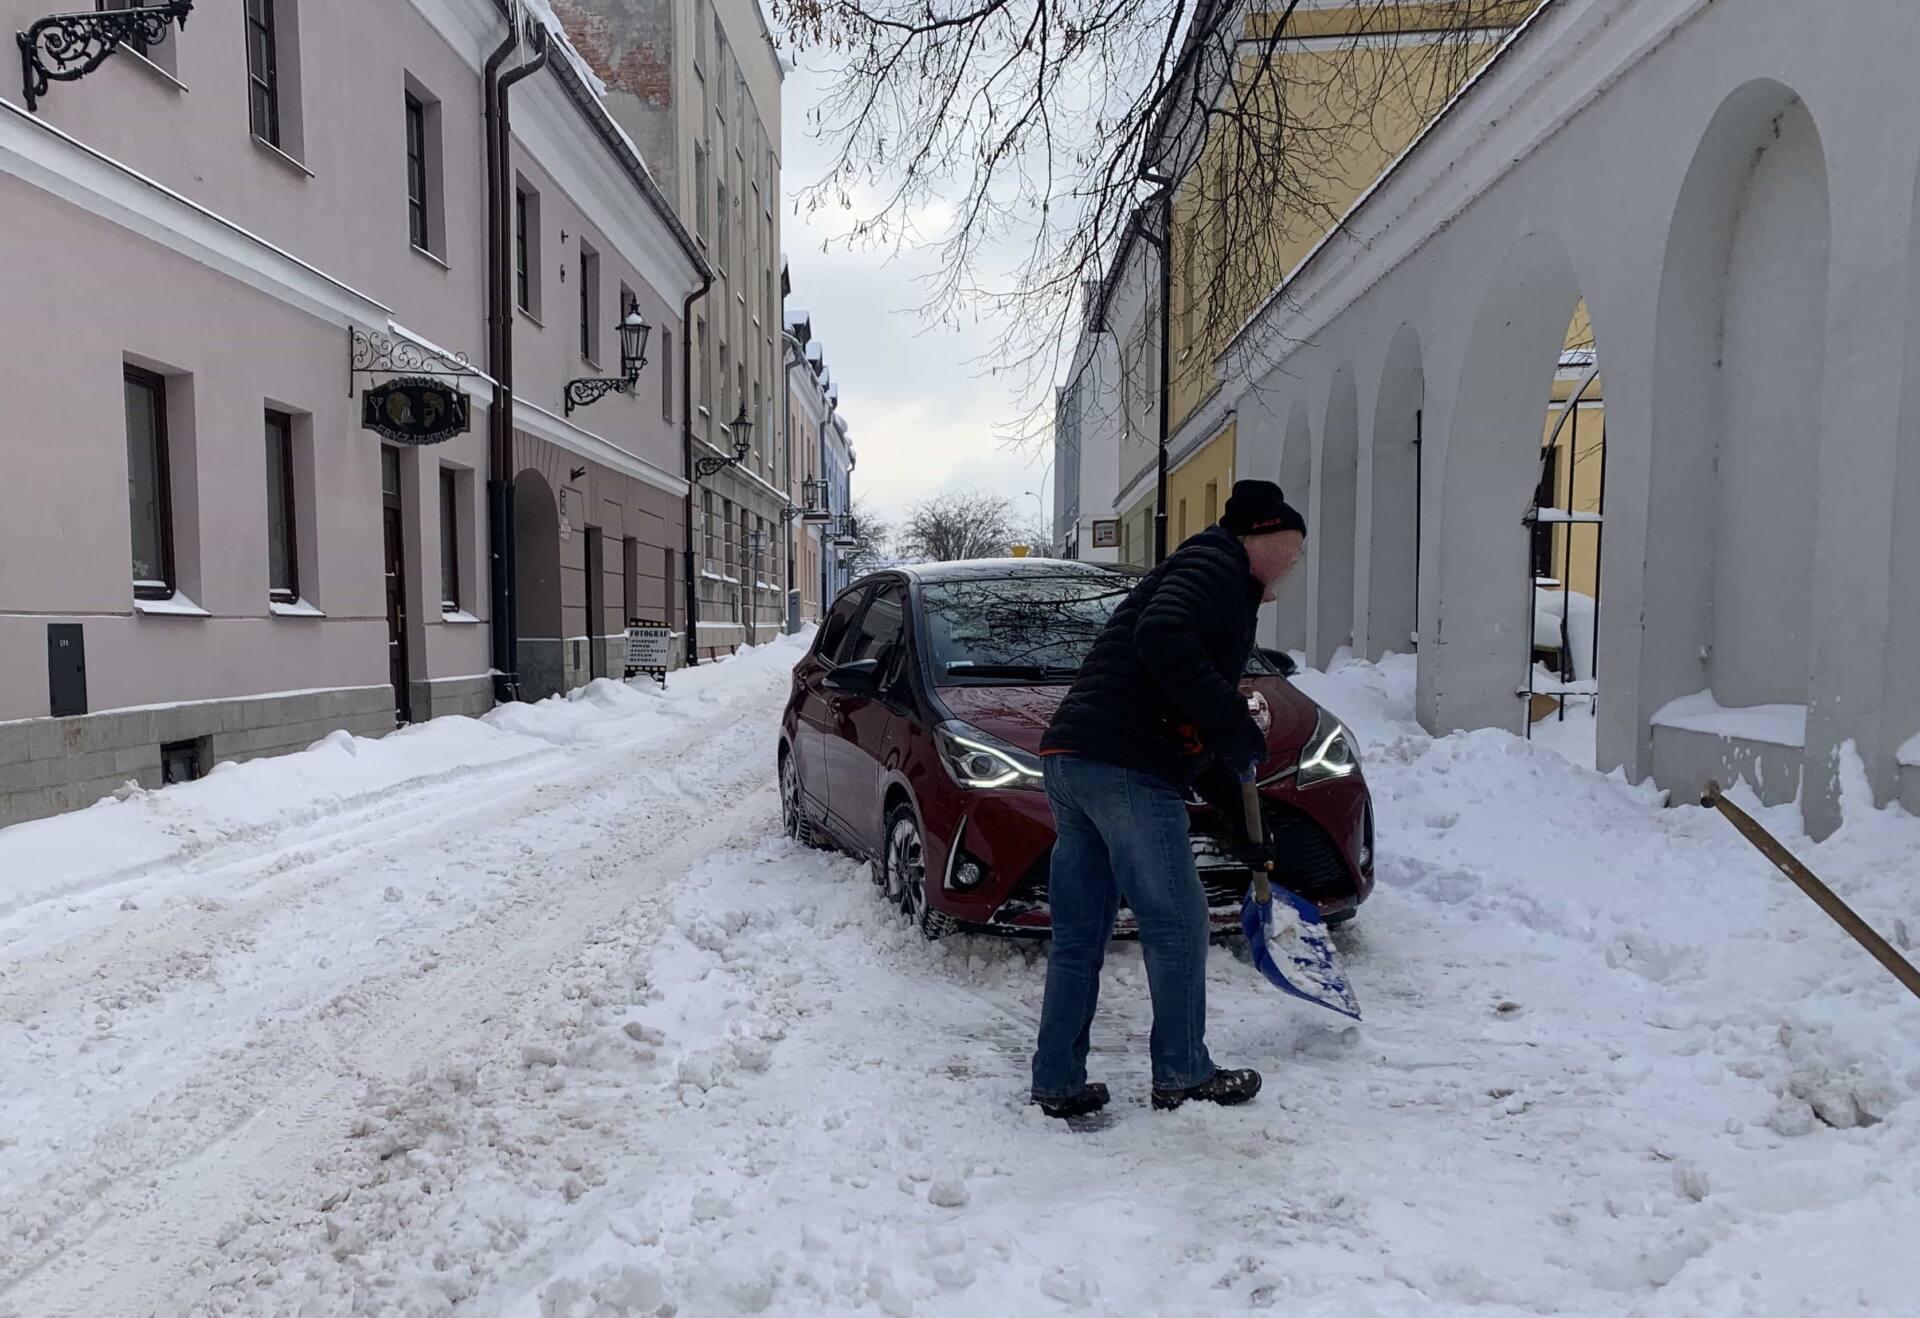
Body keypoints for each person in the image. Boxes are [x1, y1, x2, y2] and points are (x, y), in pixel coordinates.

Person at [1031, 480, 1308, 1119]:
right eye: (1291, 552)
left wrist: (1237, 812)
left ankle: (1057, 1078)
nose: (1293, 567)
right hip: (1123, 764)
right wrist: (1233, 719)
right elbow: (1164, 638)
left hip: (1073, 762)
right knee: (1177, 924)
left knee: (1079, 934)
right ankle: (1184, 1072)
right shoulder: (1215, 563)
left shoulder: (1207, 572)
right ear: (1264, 539)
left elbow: (1180, 700)